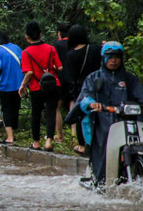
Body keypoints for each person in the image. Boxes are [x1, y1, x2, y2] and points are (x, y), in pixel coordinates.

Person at [74, 42, 143, 185]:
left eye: (117, 57)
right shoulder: (93, 78)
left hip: (127, 117)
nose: (114, 60)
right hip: (104, 118)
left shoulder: (129, 78)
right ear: (103, 58)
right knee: (104, 139)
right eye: (110, 57)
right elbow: (84, 97)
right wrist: (92, 104)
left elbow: (142, 95)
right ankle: (100, 181)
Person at [19, 20, 63, 151]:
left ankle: (36, 142)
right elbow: (60, 67)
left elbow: (29, 72)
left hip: (36, 87)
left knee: (36, 114)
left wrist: (22, 85)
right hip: (53, 85)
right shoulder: (51, 48)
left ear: (27, 37)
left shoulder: (26, 52)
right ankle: (49, 141)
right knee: (51, 113)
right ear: (41, 34)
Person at [63, 24, 100, 155]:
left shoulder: (71, 55)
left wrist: (72, 92)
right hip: (99, 87)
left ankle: (83, 145)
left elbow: (68, 77)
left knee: (82, 115)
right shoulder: (95, 49)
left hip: (82, 89)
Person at [0, 31, 24, 145]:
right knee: (15, 108)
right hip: (19, 83)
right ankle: (13, 132)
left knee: (6, 110)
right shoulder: (16, 47)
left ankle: (10, 137)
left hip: (5, 84)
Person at [53, 22, 72, 140]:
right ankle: (75, 136)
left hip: (59, 79)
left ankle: (60, 136)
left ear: (59, 33)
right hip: (73, 80)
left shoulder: (56, 45)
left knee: (56, 107)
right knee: (73, 106)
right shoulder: (75, 45)